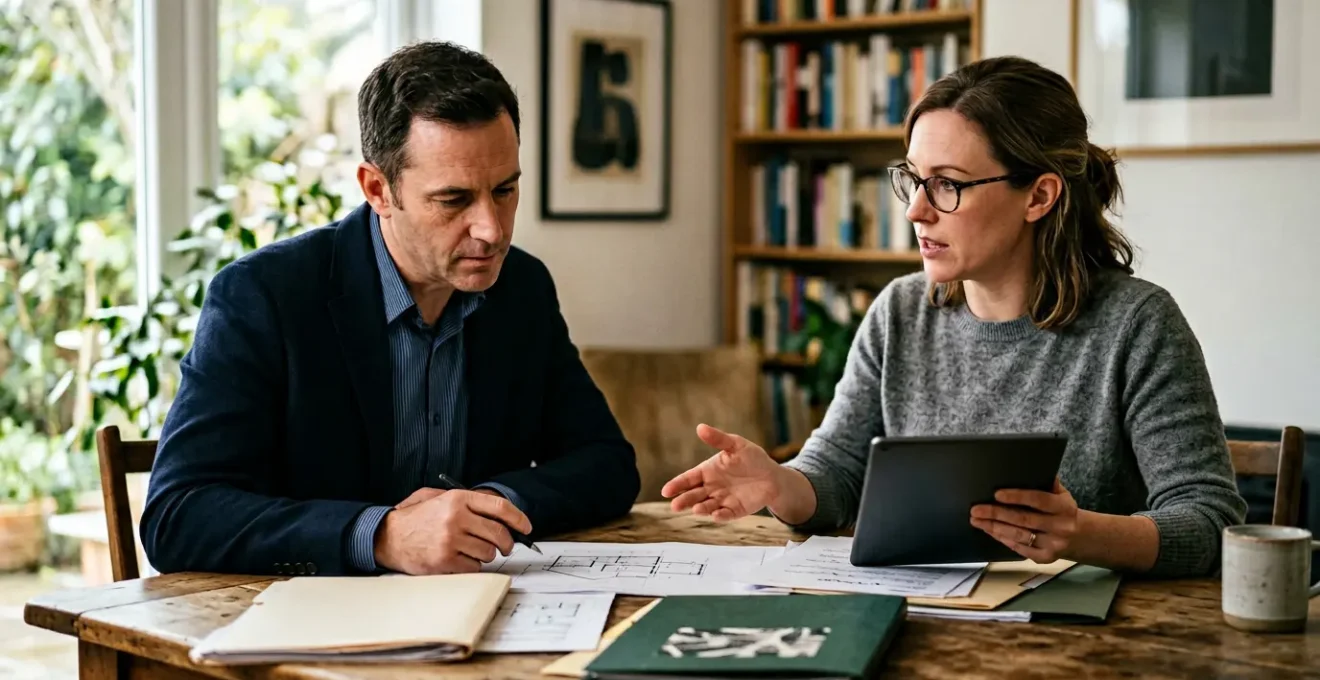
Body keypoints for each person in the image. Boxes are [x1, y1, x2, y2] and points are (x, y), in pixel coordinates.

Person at [662, 56, 1247, 578]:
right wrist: (779, 482)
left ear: (1039, 197)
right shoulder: (899, 312)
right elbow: (836, 474)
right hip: (925, 625)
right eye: (914, 180)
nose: (917, 209)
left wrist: (1082, 534)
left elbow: (1209, 520)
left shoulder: (1137, 324)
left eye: (947, 185)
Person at [140, 41, 640, 577]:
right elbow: (178, 515)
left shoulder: (523, 288)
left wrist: (482, 509)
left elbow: (607, 465)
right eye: (453, 200)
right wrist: (382, 536)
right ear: (377, 189)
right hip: (304, 627)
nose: (491, 229)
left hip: (478, 614)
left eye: (505, 189)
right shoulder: (263, 295)